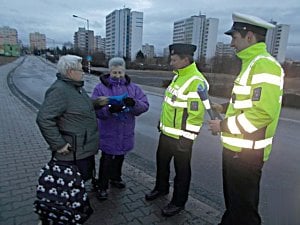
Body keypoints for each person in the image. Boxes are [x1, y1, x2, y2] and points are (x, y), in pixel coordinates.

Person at [208, 12, 285, 225]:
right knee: (235, 204)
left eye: (234, 38)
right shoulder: (251, 64)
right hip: (237, 150)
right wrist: (222, 107)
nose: (231, 43)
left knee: (244, 211)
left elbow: (262, 113)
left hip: (246, 153)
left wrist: (223, 125)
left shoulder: (264, 65)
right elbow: (246, 104)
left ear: (249, 37)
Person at [145, 43, 208, 217]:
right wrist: (161, 122)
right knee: (162, 164)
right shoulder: (177, 76)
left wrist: (187, 139)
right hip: (167, 134)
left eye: (174, 59)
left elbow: (195, 115)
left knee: (182, 172)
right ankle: (161, 188)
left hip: (181, 137)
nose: (170, 62)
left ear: (185, 60)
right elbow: (170, 105)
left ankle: (178, 202)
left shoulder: (196, 81)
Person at [92, 57, 149, 200]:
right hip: (108, 131)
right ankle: (102, 185)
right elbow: (95, 108)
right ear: (109, 71)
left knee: (120, 157)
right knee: (106, 159)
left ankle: (115, 178)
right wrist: (109, 110)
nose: (117, 75)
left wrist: (133, 103)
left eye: (120, 72)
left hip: (125, 131)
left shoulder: (133, 88)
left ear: (124, 71)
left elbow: (144, 105)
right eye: (114, 72)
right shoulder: (100, 88)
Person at [36, 54, 100, 182]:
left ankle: (80, 199)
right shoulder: (59, 90)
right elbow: (44, 118)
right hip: (72, 153)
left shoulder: (75, 87)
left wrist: (98, 102)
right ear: (70, 72)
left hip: (83, 148)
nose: (83, 73)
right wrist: (59, 145)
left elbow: (77, 106)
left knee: (81, 182)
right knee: (71, 185)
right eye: (81, 70)